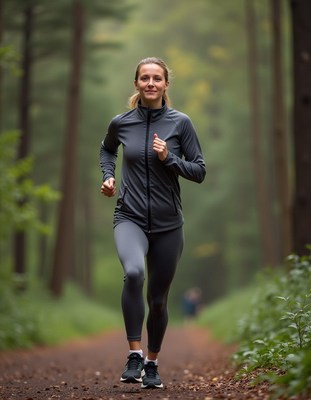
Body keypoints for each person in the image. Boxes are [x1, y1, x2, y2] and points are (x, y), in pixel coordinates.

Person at [99, 57, 206, 389]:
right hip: (128, 216)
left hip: (168, 224)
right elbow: (107, 150)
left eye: (156, 78)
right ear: (136, 84)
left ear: (165, 85)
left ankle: (152, 364)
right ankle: (134, 355)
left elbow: (199, 171)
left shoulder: (180, 123)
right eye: (144, 78)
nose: (150, 83)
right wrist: (108, 176)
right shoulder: (121, 122)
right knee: (133, 273)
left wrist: (168, 158)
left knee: (158, 299)